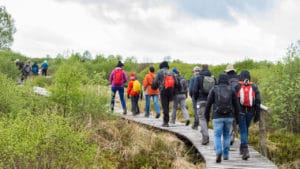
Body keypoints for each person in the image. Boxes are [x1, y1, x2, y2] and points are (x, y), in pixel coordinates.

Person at [205, 74, 240, 163]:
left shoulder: (214, 89)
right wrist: (237, 117)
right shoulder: (231, 89)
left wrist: (207, 116)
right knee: (226, 135)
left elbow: (208, 103)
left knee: (217, 135)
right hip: (229, 116)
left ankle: (218, 151)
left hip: (217, 116)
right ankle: (226, 155)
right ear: (227, 80)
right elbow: (236, 105)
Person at [237, 70, 261, 160]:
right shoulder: (254, 86)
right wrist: (257, 114)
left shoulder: (238, 86)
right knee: (245, 129)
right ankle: (242, 147)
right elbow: (258, 101)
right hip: (250, 111)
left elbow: (234, 100)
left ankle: (245, 149)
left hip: (241, 111)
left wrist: (235, 112)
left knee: (243, 130)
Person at [192, 64, 215, 145]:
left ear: (201, 69)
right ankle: (206, 133)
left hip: (201, 101)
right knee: (207, 117)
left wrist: (196, 98)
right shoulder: (212, 78)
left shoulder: (198, 78)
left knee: (202, 118)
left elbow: (194, 90)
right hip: (210, 101)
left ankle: (205, 136)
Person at [152, 61, 176, 127]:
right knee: (167, 106)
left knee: (165, 106)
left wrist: (154, 87)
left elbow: (155, 81)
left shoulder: (159, 72)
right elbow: (176, 82)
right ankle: (167, 120)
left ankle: (165, 122)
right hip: (170, 91)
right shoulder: (171, 72)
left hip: (163, 91)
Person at [224, 64, 240, 145]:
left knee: (229, 118)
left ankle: (230, 136)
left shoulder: (226, 78)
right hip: (238, 102)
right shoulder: (238, 77)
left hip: (229, 102)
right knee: (236, 119)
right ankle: (234, 134)